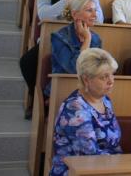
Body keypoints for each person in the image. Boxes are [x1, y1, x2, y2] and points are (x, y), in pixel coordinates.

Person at [49, 48, 121, 176]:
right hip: (75, 172)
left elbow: (115, 145)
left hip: (106, 169)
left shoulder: (105, 101)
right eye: (104, 77)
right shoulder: (74, 109)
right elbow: (89, 156)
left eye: (111, 74)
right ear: (86, 80)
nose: (111, 81)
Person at [51, 0, 103, 75]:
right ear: (75, 14)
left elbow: (98, 69)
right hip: (66, 82)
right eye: (89, 10)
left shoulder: (96, 38)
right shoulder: (58, 37)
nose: (95, 15)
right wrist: (87, 40)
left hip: (88, 81)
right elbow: (74, 69)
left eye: (95, 10)